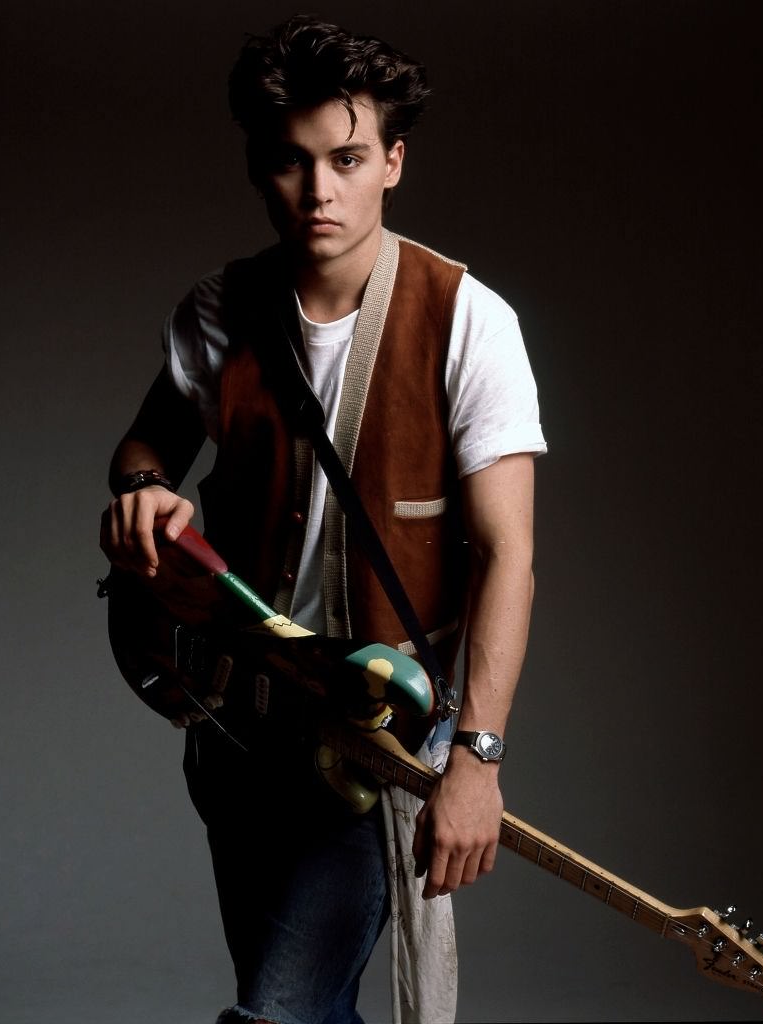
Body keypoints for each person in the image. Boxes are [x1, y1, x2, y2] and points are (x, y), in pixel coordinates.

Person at [100, 15, 545, 1024]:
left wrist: (474, 759)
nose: (318, 191)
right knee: (303, 1003)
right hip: (236, 733)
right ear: (260, 165)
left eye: (346, 158)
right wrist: (139, 497)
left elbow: (507, 555)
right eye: (292, 163)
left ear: (392, 159)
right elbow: (143, 450)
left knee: (281, 1009)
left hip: (372, 739)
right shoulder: (218, 310)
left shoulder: (467, 320)